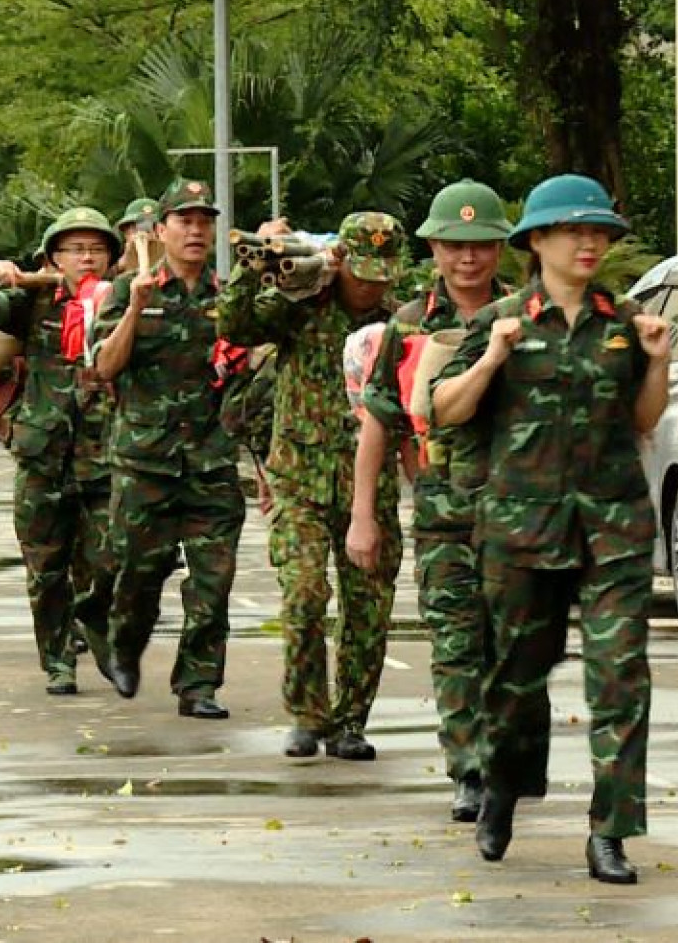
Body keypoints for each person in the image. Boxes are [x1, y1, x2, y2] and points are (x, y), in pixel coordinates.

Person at [431, 173, 670, 886]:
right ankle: (502, 787)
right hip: (521, 530)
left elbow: (645, 418)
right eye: (574, 230)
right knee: (515, 680)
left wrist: (656, 363)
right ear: (537, 241)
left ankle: (611, 831)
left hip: (613, 528)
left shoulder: (625, 322)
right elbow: (445, 407)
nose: (589, 241)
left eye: (598, 231)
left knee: (621, 678)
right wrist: (495, 357)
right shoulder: (502, 318)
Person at [348, 179, 511, 813]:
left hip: (518, 512)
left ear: (499, 248)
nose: (466, 258)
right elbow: (378, 424)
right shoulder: (407, 328)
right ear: (434, 249)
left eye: (479, 245)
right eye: (452, 245)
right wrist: (365, 515)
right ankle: (468, 768)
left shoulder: (527, 318)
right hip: (444, 511)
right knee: (456, 644)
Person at [221, 211, 406, 760]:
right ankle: (308, 713)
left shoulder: (398, 323)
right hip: (298, 480)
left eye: (383, 273)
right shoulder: (301, 307)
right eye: (363, 271)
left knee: (368, 609)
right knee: (304, 596)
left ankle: (350, 720)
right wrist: (256, 264)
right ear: (341, 259)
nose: (372, 284)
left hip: (369, 488)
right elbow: (235, 327)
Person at [89, 177, 243, 719]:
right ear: (161, 230)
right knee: (138, 570)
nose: (197, 230)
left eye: (205, 221)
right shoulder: (128, 290)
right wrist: (134, 309)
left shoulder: (228, 299)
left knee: (213, 580)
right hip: (145, 460)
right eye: (185, 220)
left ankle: (198, 685)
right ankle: (121, 643)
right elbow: (104, 366)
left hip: (210, 460)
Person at [0, 206, 123, 695]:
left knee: (109, 562)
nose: (87, 258)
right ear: (53, 258)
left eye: (96, 248)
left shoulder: (121, 303)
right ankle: (58, 661)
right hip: (42, 453)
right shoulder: (35, 302)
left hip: (105, 455)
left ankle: (103, 638)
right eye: (75, 249)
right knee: (45, 567)